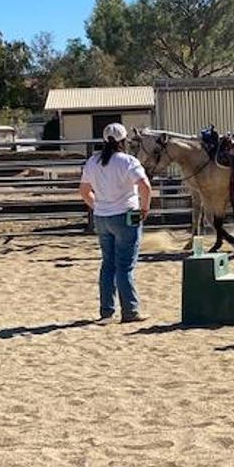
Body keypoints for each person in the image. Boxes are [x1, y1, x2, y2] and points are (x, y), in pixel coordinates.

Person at [78, 123, 152, 324]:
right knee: (125, 266)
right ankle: (130, 311)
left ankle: (106, 311)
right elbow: (145, 186)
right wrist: (144, 209)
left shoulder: (93, 162)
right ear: (123, 141)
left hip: (102, 217)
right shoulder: (128, 161)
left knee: (108, 264)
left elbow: (84, 191)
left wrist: (98, 206)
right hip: (126, 216)